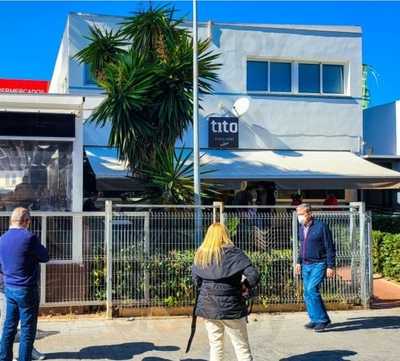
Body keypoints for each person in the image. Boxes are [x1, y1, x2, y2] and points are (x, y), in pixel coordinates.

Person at [192, 223, 260, 361]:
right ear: (225, 234)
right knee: (241, 347)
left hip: (208, 307)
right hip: (232, 307)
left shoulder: (201, 255)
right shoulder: (235, 253)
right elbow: (254, 276)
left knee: (215, 346)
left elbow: (196, 281)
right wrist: (244, 285)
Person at [0, 208, 49, 361]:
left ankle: (3, 358)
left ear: (12, 221)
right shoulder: (29, 237)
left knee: (9, 326)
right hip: (26, 288)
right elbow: (45, 256)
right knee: (28, 329)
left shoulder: (2, 238)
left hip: (9, 287)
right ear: (26, 222)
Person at [295, 203, 336, 332]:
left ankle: (323, 320)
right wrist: (298, 262)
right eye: (298, 214)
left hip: (319, 263)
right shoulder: (301, 228)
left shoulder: (321, 227)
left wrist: (330, 266)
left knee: (312, 289)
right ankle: (314, 319)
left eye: (301, 214)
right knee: (307, 292)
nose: (299, 217)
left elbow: (330, 247)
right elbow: (301, 247)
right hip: (305, 264)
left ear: (309, 213)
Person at [0, 270, 46, 360]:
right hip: (7, 286)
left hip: (22, 283)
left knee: (24, 325)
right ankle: (4, 354)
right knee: (7, 325)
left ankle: (28, 350)